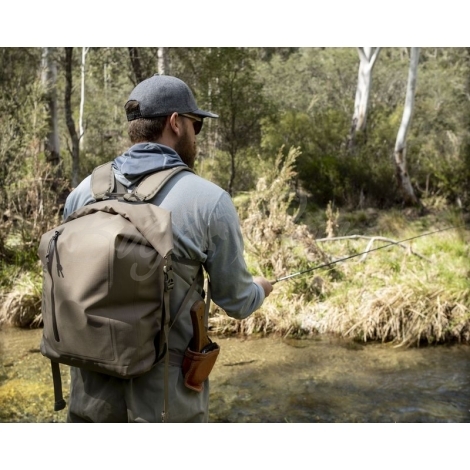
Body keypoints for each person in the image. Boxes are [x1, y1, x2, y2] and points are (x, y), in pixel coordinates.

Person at [62, 74, 273, 422]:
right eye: (196, 124)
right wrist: (261, 290)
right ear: (176, 123)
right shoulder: (210, 200)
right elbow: (236, 301)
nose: (197, 135)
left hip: (88, 398)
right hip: (164, 406)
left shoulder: (82, 193)